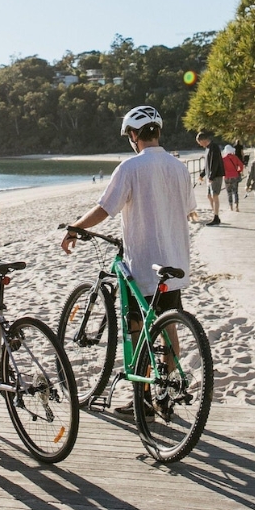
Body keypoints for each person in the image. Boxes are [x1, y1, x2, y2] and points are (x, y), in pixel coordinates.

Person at [61, 105, 196, 417]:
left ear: (134, 135)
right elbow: (188, 207)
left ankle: (145, 397)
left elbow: (105, 209)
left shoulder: (130, 168)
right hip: (175, 260)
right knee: (169, 324)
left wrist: (75, 228)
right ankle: (167, 390)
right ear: (158, 132)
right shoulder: (179, 167)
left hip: (144, 262)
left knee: (137, 327)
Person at [196, 132, 224, 226]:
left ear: (203, 140)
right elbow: (207, 164)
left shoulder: (214, 147)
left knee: (215, 195)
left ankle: (216, 217)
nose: (200, 145)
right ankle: (215, 215)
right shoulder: (207, 149)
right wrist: (202, 174)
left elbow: (215, 162)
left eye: (199, 142)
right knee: (209, 196)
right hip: (210, 176)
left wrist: (211, 176)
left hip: (215, 175)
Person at [222, 144, 245, 212]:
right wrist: (239, 171)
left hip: (227, 176)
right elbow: (241, 165)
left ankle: (231, 206)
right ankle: (237, 206)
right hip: (235, 176)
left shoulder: (223, 159)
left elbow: (222, 168)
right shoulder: (235, 157)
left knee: (229, 192)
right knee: (235, 191)